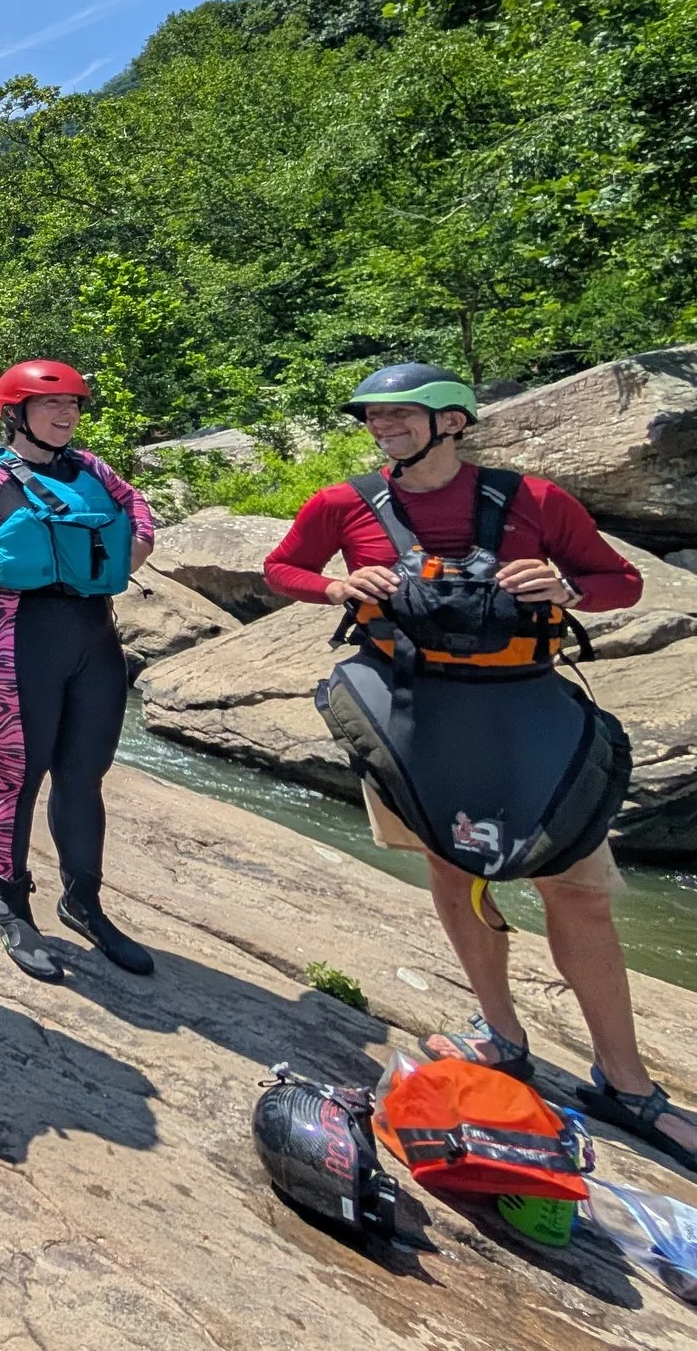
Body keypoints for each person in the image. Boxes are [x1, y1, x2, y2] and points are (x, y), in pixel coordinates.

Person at [263, 363, 690, 1168]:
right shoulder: (343, 503)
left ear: (452, 422)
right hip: (415, 715)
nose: (381, 428)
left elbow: (621, 582)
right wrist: (335, 588)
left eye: (400, 416)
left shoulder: (534, 502)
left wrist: (567, 586)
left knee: (579, 890)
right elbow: (281, 568)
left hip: (524, 711)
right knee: (451, 870)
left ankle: (626, 1082)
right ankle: (501, 1032)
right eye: (374, 418)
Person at [0, 361, 160, 981]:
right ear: (15, 413)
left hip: (92, 635)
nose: (66, 416)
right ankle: (12, 903)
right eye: (51, 407)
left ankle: (84, 902)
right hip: (11, 637)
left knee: (84, 775)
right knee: (15, 777)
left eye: (74, 406)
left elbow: (135, 503)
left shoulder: (91, 468)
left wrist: (144, 538)